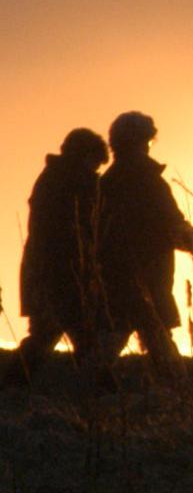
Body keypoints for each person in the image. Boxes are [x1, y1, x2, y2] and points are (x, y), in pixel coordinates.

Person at [90, 112, 193, 382]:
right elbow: (172, 225)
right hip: (149, 278)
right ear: (143, 142)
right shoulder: (149, 182)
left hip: (112, 276)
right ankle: (176, 393)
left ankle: (83, 390)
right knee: (157, 337)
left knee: (114, 335)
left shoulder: (104, 185)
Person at [11, 128, 109, 384]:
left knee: (50, 335)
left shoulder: (53, 178)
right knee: (72, 336)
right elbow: (73, 232)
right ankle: (103, 391)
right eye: (95, 163)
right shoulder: (73, 184)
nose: (96, 170)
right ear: (84, 156)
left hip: (50, 271)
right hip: (62, 273)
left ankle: (12, 383)